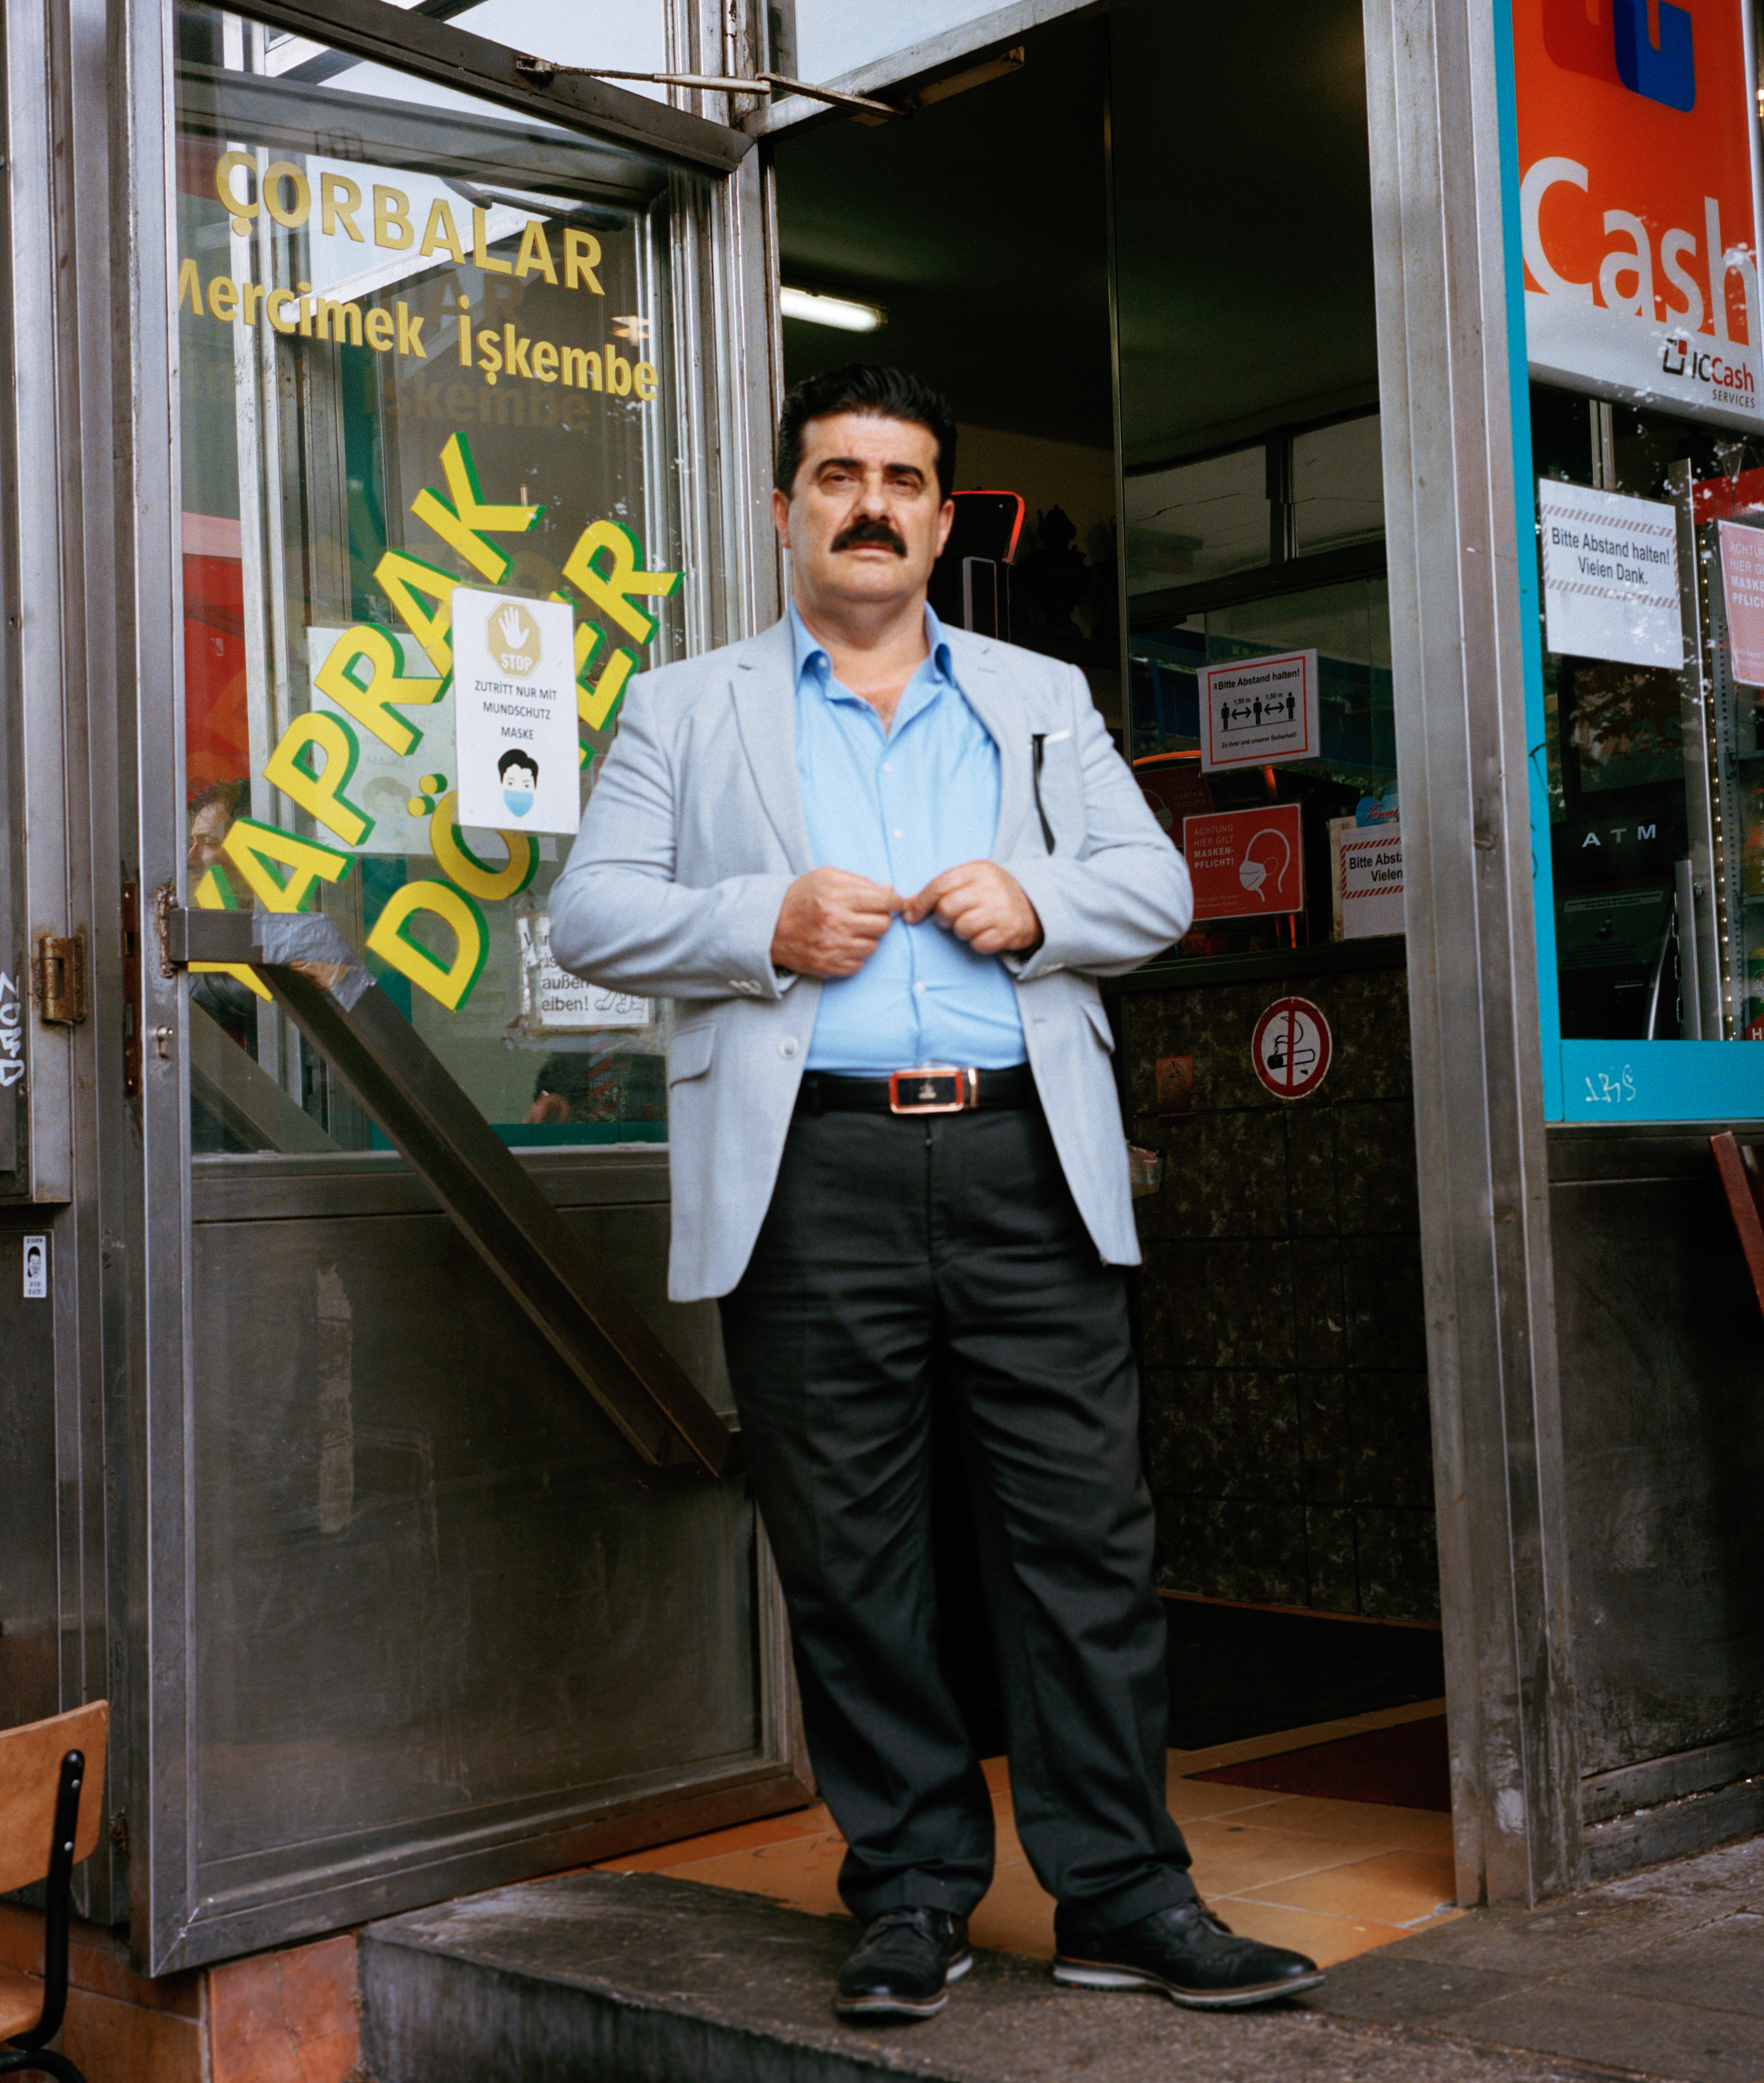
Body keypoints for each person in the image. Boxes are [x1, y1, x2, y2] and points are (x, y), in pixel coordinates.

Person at [549, 364, 1323, 2021]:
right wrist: (760, 922)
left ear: (942, 514)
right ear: (785, 508)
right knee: (853, 1551)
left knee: (1083, 1541)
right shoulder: (685, 708)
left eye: (902, 477)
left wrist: (1033, 897)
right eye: (838, 474)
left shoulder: (1037, 694)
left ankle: (1121, 1892)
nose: (871, 503)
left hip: (1022, 1156)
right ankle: (907, 1885)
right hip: (809, 1166)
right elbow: (591, 912)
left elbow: (1157, 886)